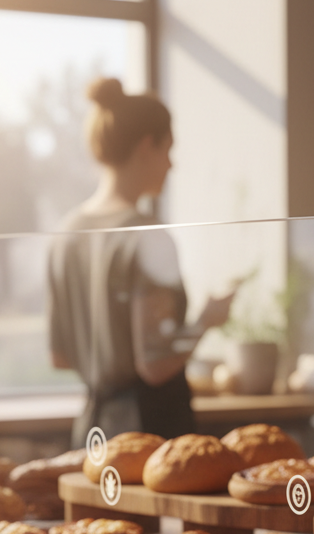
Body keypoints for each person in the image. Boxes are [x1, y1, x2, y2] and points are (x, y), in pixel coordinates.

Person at [49, 78, 234, 445]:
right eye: (169, 149)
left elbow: (61, 356)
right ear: (147, 146)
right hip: (148, 436)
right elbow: (154, 365)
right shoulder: (149, 235)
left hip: (92, 432)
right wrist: (205, 321)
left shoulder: (66, 233)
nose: (172, 164)